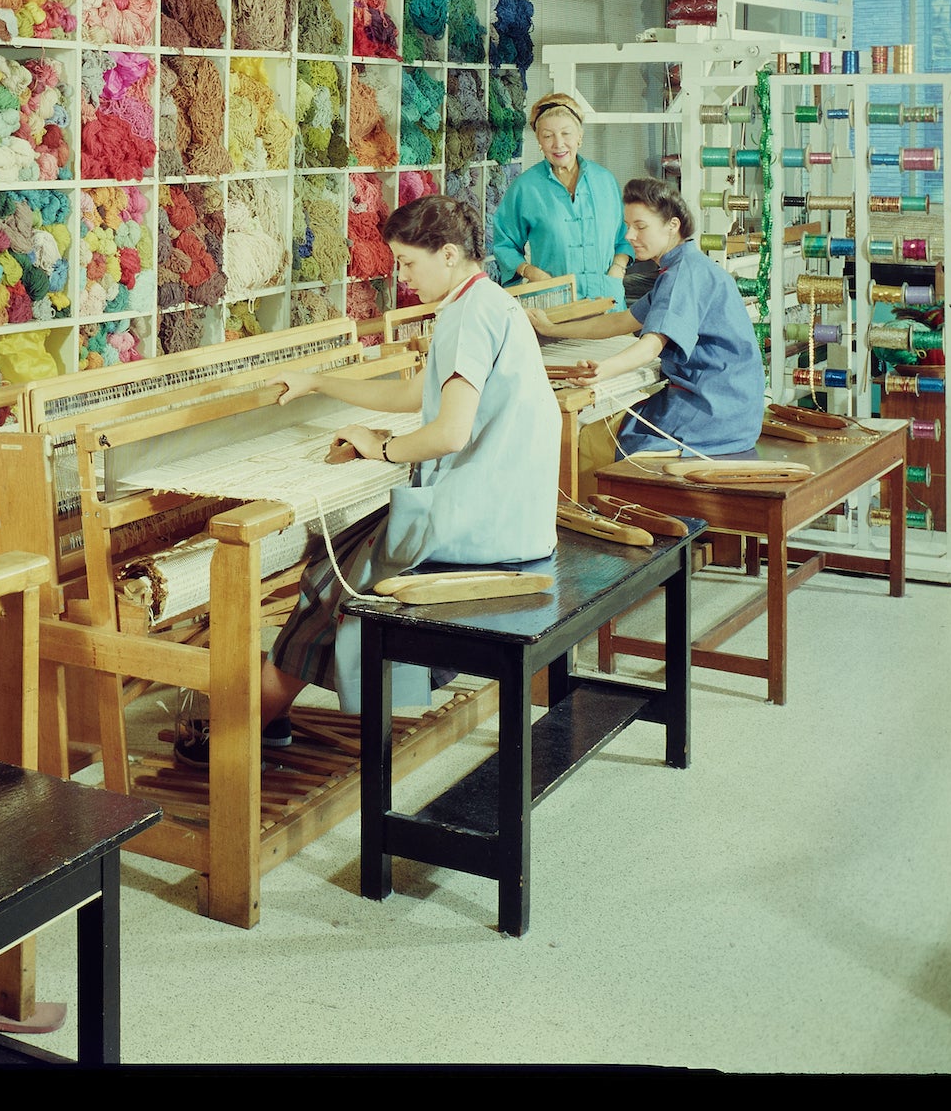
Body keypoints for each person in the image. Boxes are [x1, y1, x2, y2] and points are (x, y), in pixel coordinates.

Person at [174, 195, 560, 764]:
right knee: (340, 568)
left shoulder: (466, 316)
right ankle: (269, 718)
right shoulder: (487, 302)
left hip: (479, 525)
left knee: (332, 588)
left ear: (449, 255)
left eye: (408, 263)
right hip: (510, 511)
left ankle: (243, 727)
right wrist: (322, 383)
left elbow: (450, 432)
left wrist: (381, 448)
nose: (402, 278)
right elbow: (416, 396)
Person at [530, 174, 765, 479]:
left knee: (594, 439)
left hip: (714, 413)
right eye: (628, 226)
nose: (629, 235)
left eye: (640, 227)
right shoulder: (683, 267)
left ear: (672, 226)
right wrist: (552, 329)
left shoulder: (683, 275)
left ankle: (597, 515)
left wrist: (602, 371)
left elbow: (652, 344)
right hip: (732, 408)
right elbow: (620, 321)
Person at [489, 93, 633, 308]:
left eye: (566, 133)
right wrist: (530, 272)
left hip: (607, 300)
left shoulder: (605, 180)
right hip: (553, 304)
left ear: (579, 137)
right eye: (548, 136)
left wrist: (617, 270)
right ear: (539, 141)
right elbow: (504, 243)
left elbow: (626, 236)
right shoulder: (526, 187)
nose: (558, 144)